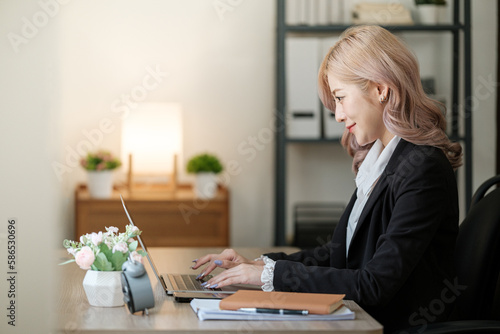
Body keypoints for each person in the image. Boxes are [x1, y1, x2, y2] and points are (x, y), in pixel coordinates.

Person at [191, 25, 462, 333]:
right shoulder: (381, 161)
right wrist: (259, 265)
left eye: (341, 98)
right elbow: (340, 255)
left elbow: (375, 284)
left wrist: (270, 276)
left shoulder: (422, 169)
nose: (338, 115)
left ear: (380, 89)